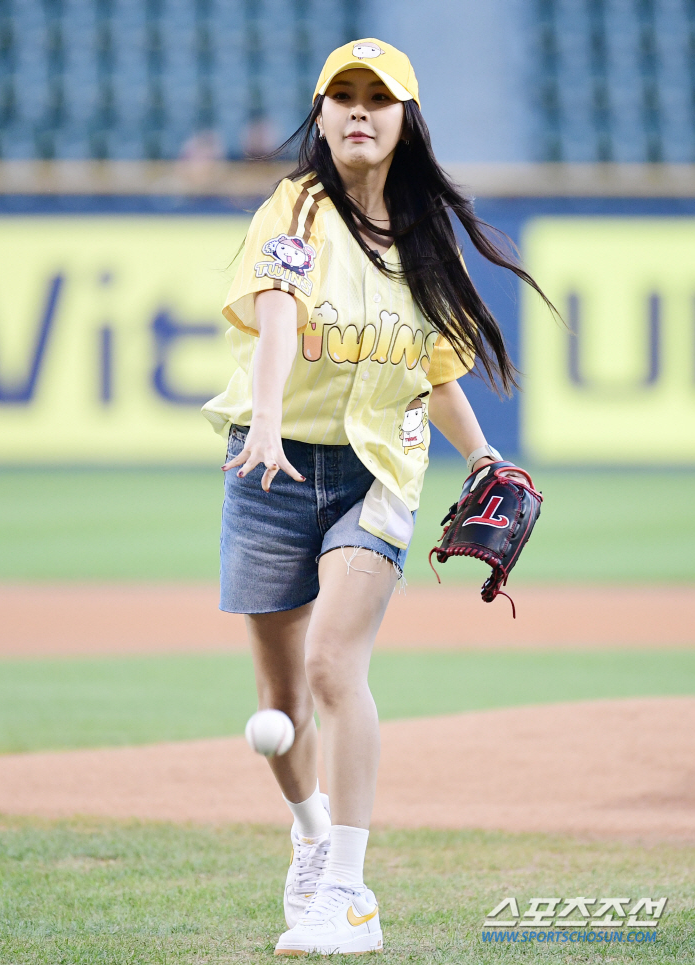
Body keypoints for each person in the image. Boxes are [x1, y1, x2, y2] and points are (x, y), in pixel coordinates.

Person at [202, 38, 554, 957]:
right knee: (282, 706)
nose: (360, 110)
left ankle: (350, 892)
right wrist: (268, 419)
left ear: (406, 119)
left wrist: (481, 455)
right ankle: (313, 838)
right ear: (320, 115)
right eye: (343, 95)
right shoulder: (295, 210)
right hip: (269, 467)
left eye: (380, 97)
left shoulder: (427, 238)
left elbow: (434, 370)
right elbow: (276, 317)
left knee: (331, 668)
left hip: (377, 471)